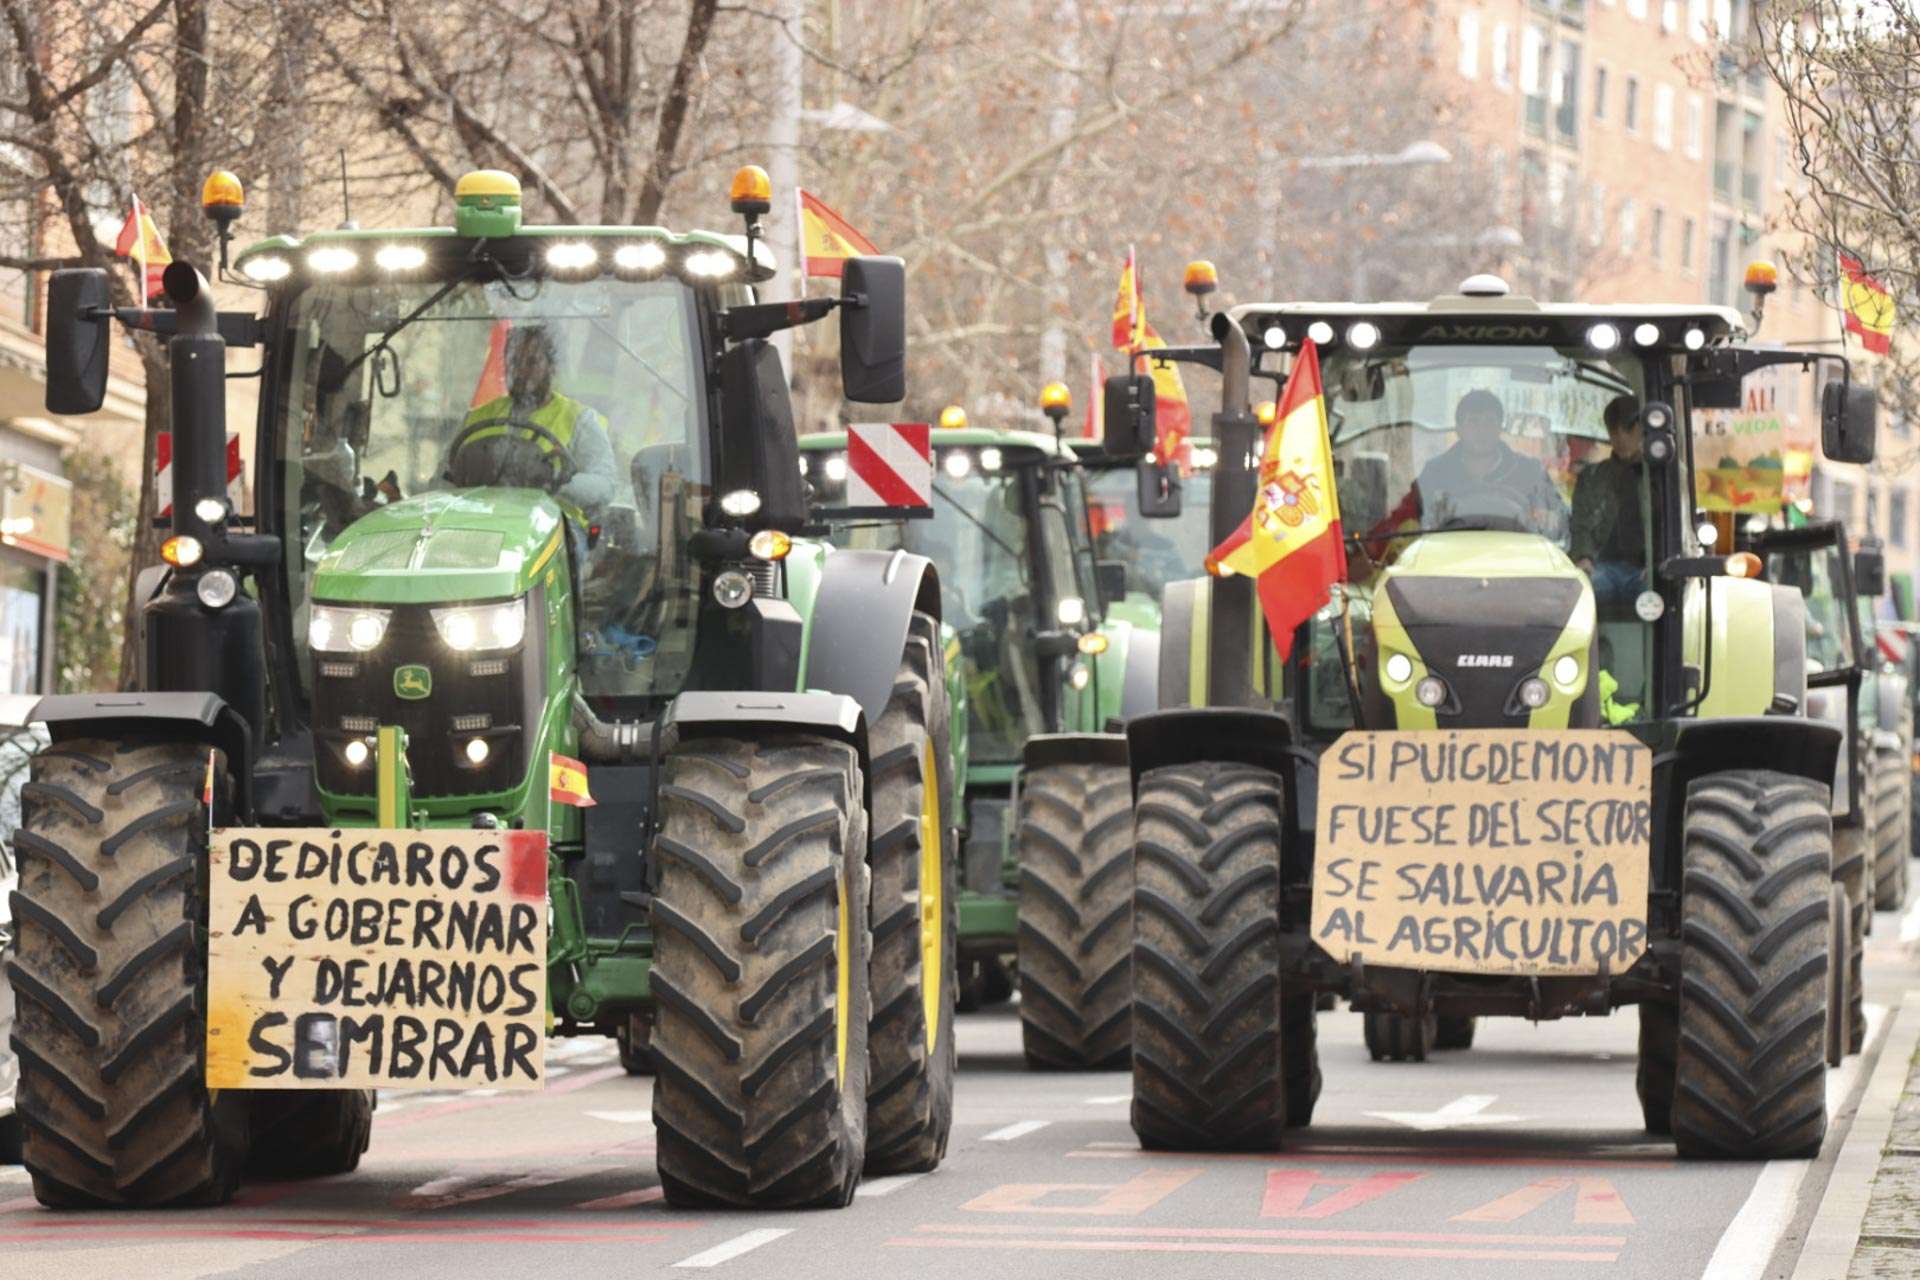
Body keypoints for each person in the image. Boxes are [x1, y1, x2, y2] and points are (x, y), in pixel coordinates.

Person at [461, 324, 617, 522]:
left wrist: (556, 480)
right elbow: (443, 480)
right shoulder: (477, 418)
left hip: (554, 531)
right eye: (514, 361)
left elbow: (605, 486)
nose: (520, 371)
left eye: (531, 362)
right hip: (480, 524)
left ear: (552, 367)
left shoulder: (580, 420)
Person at [1570, 395, 1647, 608]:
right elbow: (1580, 525)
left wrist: (1659, 564)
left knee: (1654, 597)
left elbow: (1674, 528)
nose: (1620, 438)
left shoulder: (1664, 477)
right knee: (1586, 594)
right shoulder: (1592, 477)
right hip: (1602, 566)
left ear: (1641, 429)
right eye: (1614, 432)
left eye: (1627, 430)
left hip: (1646, 569)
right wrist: (1583, 557)